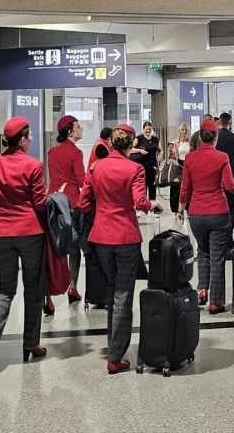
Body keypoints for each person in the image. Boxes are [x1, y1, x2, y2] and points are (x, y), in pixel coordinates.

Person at [78, 124, 162, 374]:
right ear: (130, 145)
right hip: (125, 236)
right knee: (123, 294)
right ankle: (115, 356)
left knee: (112, 291)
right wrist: (153, 204)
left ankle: (113, 344)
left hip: (101, 237)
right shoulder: (134, 169)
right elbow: (139, 201)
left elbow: (83, 202)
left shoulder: (95, 167)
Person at [0, 116, 49, 378]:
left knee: (4, 288)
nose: (32, 140)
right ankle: (31, 342)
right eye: (30, 136)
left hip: (1, 233)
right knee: (33, 287)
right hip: (30, 233)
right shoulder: (33, 165)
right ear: (23, 140)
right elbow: (39, 203)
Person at [178, 118, 234, 313]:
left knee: (202, 252)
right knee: (217, 257)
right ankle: (216, 301)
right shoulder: (221, 157)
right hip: (218, 213)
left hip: (196, 214)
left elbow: (185, 188)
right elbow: (230, 186)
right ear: (214, 137)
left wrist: (181, 209)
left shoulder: (190, 158)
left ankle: (201, 291)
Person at [46, 115, 86, 306]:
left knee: (51, 249)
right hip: (71, 205)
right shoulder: (76, 153)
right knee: (74, 248)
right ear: (70, 131)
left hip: (53, 202)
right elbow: (81, 181)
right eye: (78, 126)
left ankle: (48, 298)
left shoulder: (52, 152)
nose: (81, 129)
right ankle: (73, 287)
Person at [130, 121, 160, 202]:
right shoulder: (139, 138)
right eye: (146, 129)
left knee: (152, 187)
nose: (148, 131)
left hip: (153, 166)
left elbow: (160, 150)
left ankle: (152, 208)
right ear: (143, 129)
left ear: (152, 129)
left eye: (149, 129)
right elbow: (130, 149)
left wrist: (159, 158)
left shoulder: (155, 139)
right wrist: (139, 150)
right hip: (142, 167)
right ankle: (141, 207)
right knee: (143, 187)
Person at [167, 123, 192, 213]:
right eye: (183, 130)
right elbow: (170, 156)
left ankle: (187, 207)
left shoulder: (191, 142)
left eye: (186, 130)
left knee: (187, 187)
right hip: (177, 165)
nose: (184, 132)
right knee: (176, 187)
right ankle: (175, 209)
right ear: (179, 131)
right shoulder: (174, 142)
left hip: (188, 165)